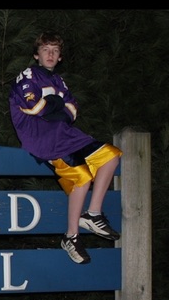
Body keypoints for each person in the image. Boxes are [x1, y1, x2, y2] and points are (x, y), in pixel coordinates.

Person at [8, 31, 122, 264]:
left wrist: (53, 103)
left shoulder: (59, 81)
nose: (50, 54)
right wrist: (56, 103)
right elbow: (34, 107)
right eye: (45, 50)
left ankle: (93, 213)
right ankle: (71, 236)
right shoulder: (28, 76)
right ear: (36, 55)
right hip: (42, 139)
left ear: (60, 57)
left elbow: (72, 111)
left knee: (111, 156)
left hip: (66, 135)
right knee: (82, 177)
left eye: (55, 50)